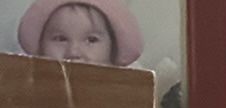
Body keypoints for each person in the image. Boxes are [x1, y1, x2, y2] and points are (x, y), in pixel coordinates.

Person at [15, 0, 145, 67]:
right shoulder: (24, 86)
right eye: (61, 39)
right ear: (40, 46)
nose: (73, 53)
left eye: (91, 40)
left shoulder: (128, 91)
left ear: (113, 49)